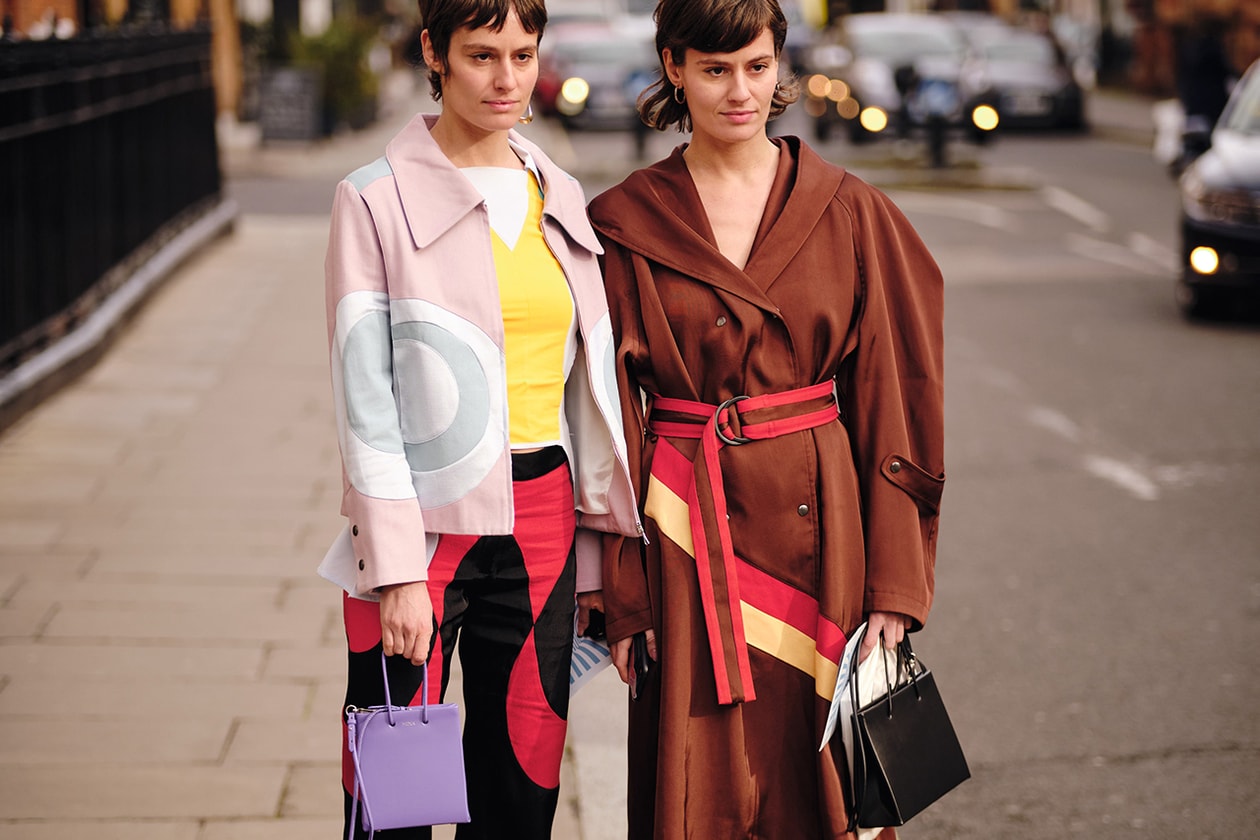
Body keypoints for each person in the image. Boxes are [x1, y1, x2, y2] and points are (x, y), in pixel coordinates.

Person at [587, 0, 945, 836]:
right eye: (714, 71)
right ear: (674, 68)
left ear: (780, 63)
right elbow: (608, 425)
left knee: (824, 787)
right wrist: (626, 596)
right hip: (684, 535)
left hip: (827, 541)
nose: (739, 92)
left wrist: (894, 585)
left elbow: (898, 398)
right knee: (699, 790)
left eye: (756, 66)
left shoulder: (849, 210)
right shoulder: (624, 222)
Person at [321, 1, 641, 837]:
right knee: (390, 804)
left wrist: (599, 560)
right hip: (421, 532)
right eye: (481, 55)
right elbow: (366, 403)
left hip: (542, 526)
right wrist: (393, 572)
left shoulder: (558, 193)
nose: (507, 79)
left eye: (523, 54)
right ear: (434, 52)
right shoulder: (373, 201)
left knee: (521, 798)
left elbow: (588, 395)